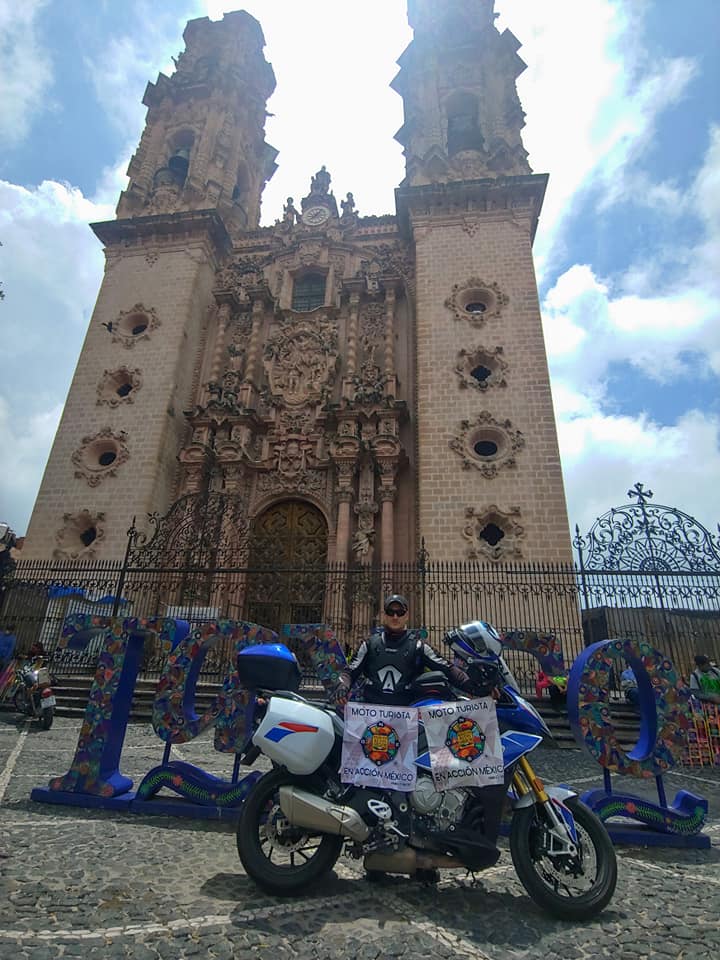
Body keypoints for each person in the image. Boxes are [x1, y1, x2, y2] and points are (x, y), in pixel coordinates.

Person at [335, 594, 502, 879]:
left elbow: (447, 669)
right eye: (391, 611)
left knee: (410, 790)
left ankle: (421, 857)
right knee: (373, 790)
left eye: (401, 611)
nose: (396, 616)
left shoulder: (418, 646)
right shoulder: (370, 644)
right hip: (374, 724)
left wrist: (475, 685)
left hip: (407, 722)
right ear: (383, 615)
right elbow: (350, 669)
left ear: (407, 615)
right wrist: (342, 685)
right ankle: (376, 855)